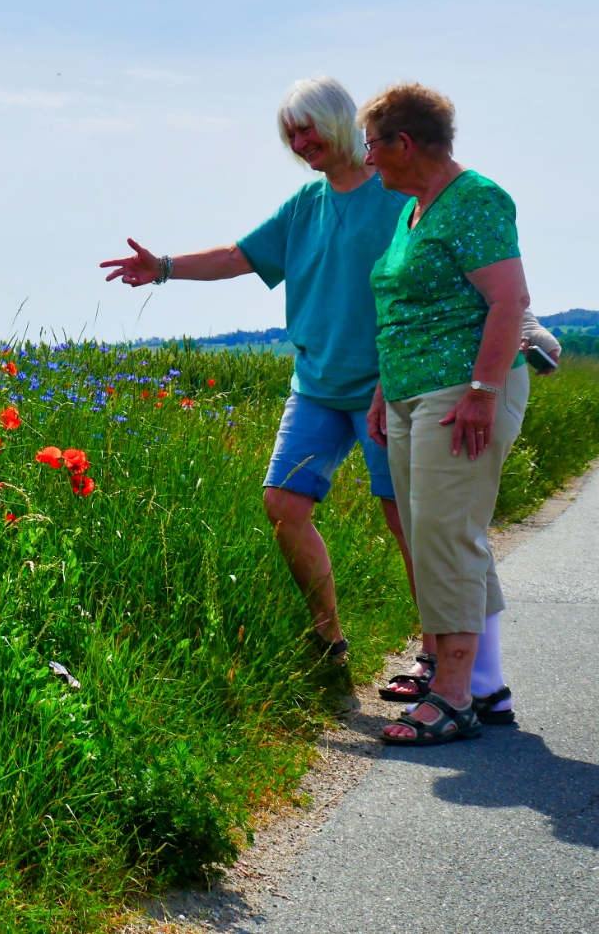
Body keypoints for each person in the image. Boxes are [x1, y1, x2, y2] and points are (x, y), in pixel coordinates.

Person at [100, 76, 413, 663]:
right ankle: (328, 638)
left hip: (384, 388)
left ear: (338, 121)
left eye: (307, 129)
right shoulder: (305, 207)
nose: (299, 144)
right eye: (290, 135)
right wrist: (163, 266)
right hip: (316, 385)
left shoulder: (399, 200)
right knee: (283, 505)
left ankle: (442, 657)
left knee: (406, 521)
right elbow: (236, 257)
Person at [360, 82, 529, 745]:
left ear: (404, 142)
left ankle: (454, 695)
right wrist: (384, 387)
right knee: (436, 531)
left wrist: (483, 391)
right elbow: (407, 311)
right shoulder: (415, 211)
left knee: (446, 537)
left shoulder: (476, 200)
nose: (367, 159)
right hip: (411, 391)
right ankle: (480, 686)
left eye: (372, 145)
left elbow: (509, 300)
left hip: (462, 393)